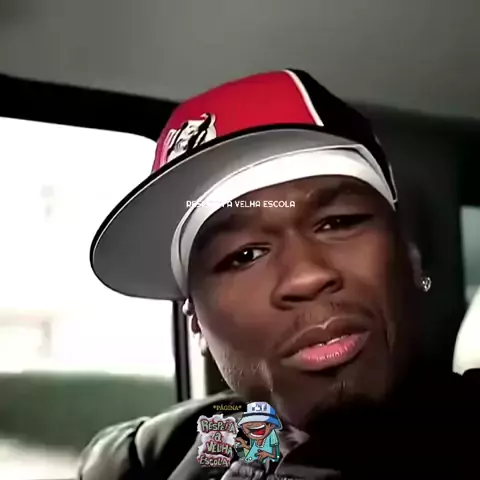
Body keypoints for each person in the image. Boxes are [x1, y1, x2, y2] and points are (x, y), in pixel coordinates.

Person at [79, 70, 480, 480]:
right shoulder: (147, 458)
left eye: (338, 222)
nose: (306, 276)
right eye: (244, 255)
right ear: (196, 323)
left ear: (410, 259)